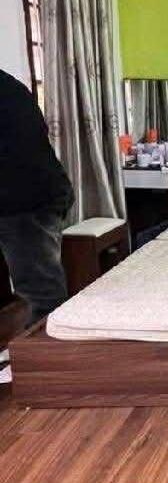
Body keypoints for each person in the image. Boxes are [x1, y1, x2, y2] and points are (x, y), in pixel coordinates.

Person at [0, 69, 73, 326]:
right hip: (38, 191)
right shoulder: (9, 85)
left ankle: (51, 347)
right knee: (40, 285)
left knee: (43, 295)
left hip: (25, 201)